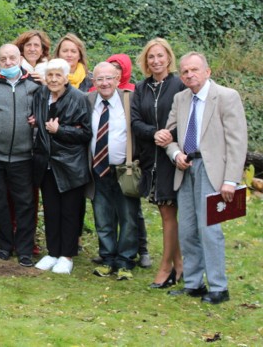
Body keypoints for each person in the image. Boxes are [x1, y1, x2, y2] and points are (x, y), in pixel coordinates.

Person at [161, 52, 247, 305]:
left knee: (209, 230)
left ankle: (219, 287)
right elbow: (168, 135)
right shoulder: (180, 98)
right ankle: (194, 283)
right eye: (185, 71)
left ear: (207, 72)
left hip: (214, 171)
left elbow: (237, 142)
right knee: (187, 229)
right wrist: (175, 153)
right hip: (185, 169)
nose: (189, 75)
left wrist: (231, 179)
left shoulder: (227, 97)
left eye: (194, 70)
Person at [131, 38, 186, 288]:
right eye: (151, 57)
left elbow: (186, 119)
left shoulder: (179, 85)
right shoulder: (141, 88)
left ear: (168, 58)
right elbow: (135, 121)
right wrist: (154, 132)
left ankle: (166, 268)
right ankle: (180, 266)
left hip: (172, 157)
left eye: (160, 56)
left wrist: (169, 135)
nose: (156, 61)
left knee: (168, 213)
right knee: (165, 212)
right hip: (149, 158)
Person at [89, 53, 152, 268]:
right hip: (97, 168)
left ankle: (126, 258)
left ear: (117, 80)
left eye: (109, 78)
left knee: (128, 216)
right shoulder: (87, 101)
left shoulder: (129, 99)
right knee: (102, 215)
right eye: (99, 79)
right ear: (93, 81)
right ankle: (107, 256)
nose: (105, 83)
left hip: (124, 169)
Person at [0, 44, 39, 266]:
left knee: (25, 204)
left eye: (12, 58)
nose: (8, 62)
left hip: (23, 156)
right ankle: (4, 245)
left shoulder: (35, 83)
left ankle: (24, 249)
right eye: (3, 59)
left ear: (20, 58)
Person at [32, 58, 92, 274]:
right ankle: (52, 252)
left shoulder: (78, 98)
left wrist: (61, 131)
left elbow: (86, 133)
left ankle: (67, 255)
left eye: (58, 75)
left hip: (70, 165)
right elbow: (38, 120)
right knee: (51, 210)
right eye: (50, 75)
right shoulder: (40, 95)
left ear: (66, 77)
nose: (54, 79)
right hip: (46, 163)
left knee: (69, 211)